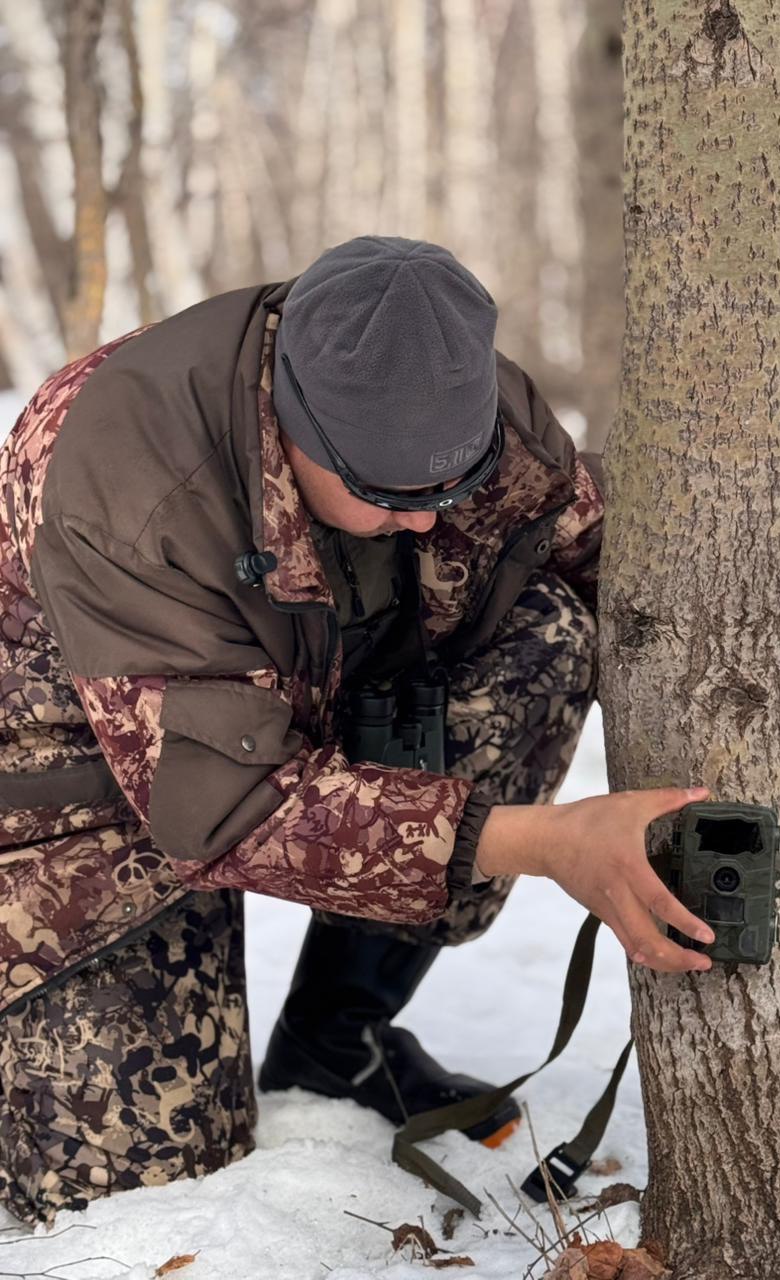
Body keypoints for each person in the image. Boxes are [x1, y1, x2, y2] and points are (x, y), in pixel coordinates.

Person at [0, 236, 714, 1226]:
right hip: (83, 788)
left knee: (543, 635)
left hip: (301, 689)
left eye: (449, 488)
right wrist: (546, 843)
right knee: (143, 1201)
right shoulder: (127, 477)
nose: (427, 524)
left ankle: (337, 1038)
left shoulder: (470, 406)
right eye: (389, 496)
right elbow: (225, 810)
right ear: (295, 430)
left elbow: (585, 538)